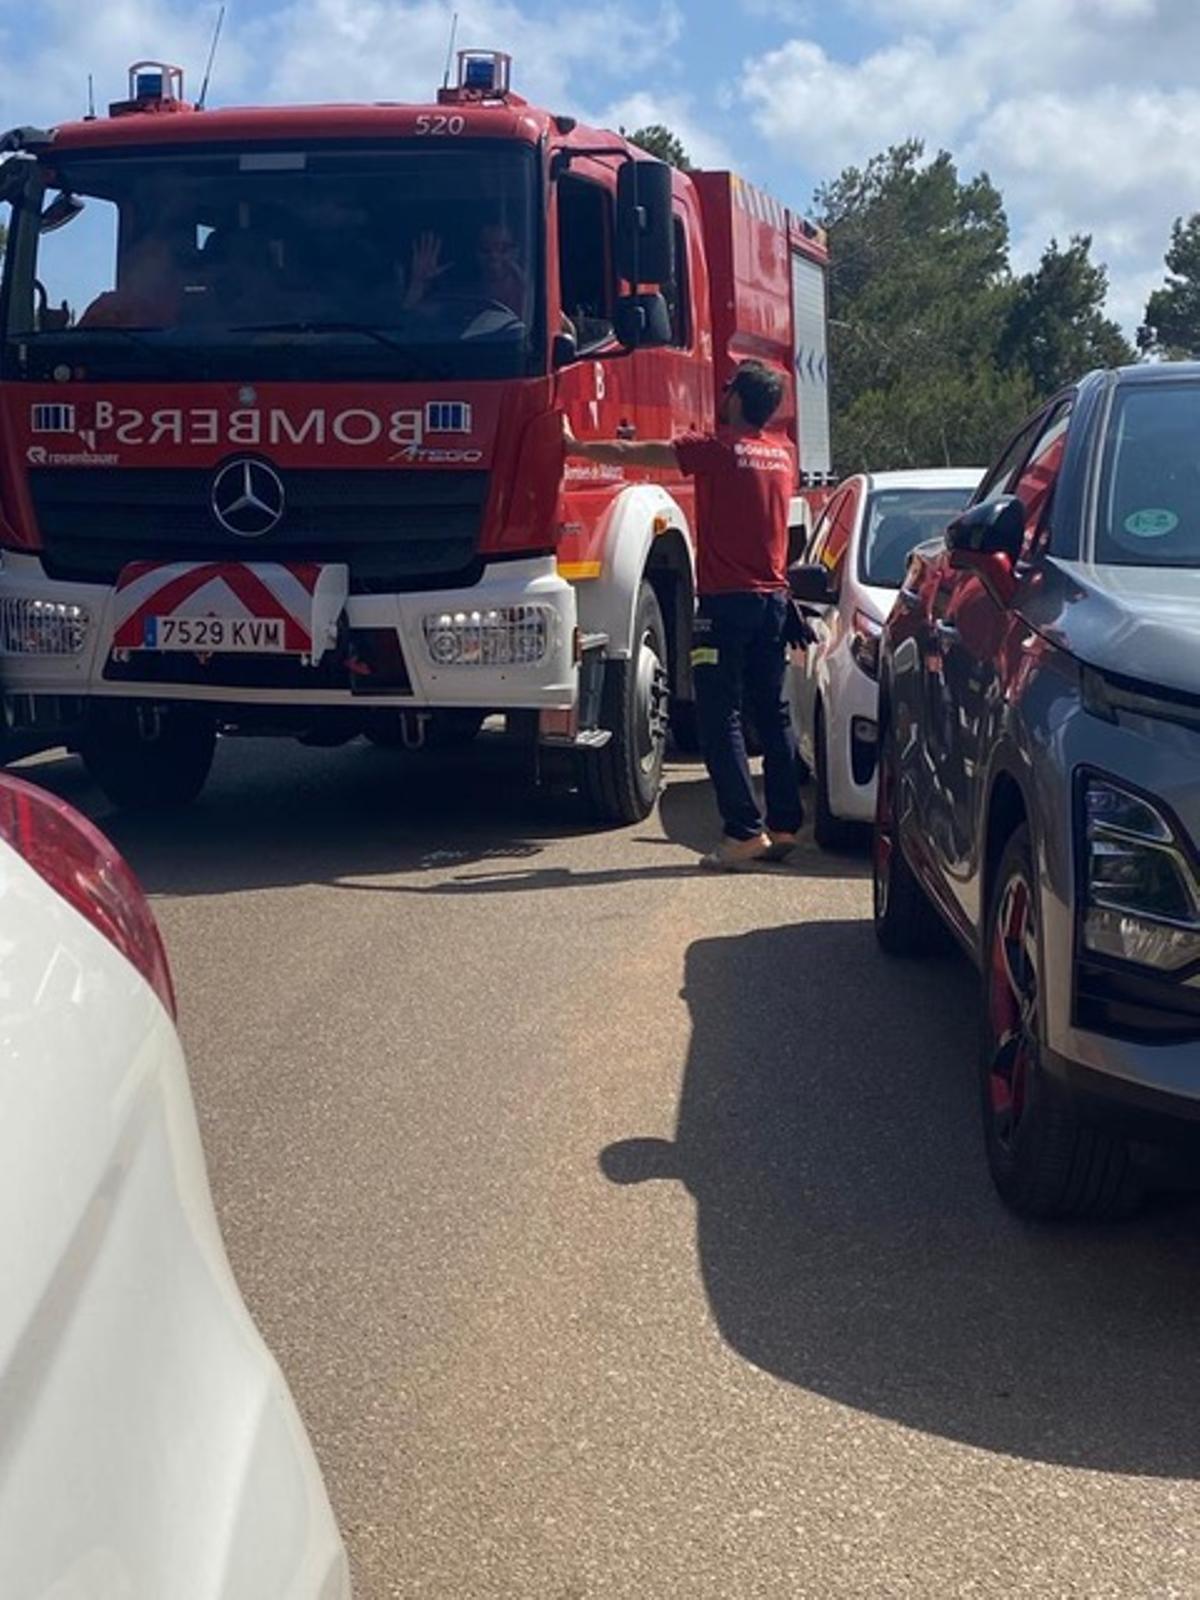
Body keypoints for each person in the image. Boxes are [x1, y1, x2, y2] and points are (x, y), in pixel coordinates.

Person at [563, 359, 803, 870]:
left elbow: (636, 452)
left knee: (721, 716)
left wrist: (576, 446)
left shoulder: (714, 450)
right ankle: (784, 824)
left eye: (727, 390)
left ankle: (743, 832)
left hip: (726, 605)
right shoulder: (783, 456)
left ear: (736, 399)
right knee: (774, 713)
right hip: (773, 603)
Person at [403, 220, 527, 318]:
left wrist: (524, 283)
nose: (494, 256)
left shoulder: (533, 291)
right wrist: (418, 283)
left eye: (503, 249)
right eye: (485, 250)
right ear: (475, 254)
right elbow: (411, 315)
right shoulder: (464, 297)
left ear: (516, 251)